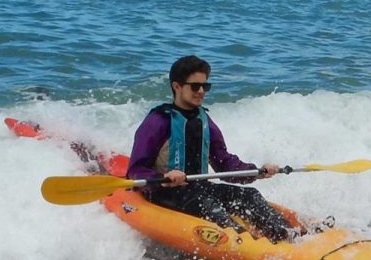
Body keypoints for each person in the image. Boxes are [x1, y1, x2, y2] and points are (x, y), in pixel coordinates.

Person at [125, 55, 297, 240]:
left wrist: (256, 171)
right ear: (177, 86)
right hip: (165, 193)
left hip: (200, 188)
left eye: (205, 86)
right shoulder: (157, 122)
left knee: (249, 196)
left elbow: (224, 164)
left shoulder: (205, 121)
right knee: (206, 204)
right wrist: (163, 178)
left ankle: (291, 236)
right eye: (195, 86)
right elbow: (136, 170)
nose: (201, 91)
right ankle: (243, 241)